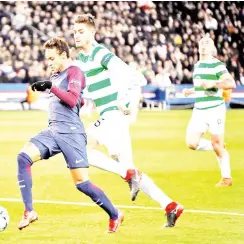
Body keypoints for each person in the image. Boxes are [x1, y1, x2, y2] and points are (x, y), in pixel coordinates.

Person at [73, 14, 183, 227]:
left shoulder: (100, 53)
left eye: (81, 31)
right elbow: (101, 86)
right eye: (75, 31)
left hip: (114, 116)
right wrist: (90, 105)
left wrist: (124, 99)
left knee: (81, 149)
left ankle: (128, 174)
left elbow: (131, 75)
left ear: (92, 32)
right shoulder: (84, 59)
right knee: (128, 168)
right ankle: (170, 206)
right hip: (109, 116)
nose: (76, 35)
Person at [16, 37, 124, 233]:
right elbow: (78, 102)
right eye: (47, 59)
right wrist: (52, 86)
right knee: (23, 158)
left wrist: (51, 87)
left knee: (82, 184)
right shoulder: (56, 75)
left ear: (64, 55)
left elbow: (73, 100)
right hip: (52, 131)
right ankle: (29, 211)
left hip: (71, 134)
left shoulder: (75, 71)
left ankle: (115, 214)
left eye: (52, 58)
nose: (49, 63)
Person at [182, 35, 236, 187]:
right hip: (199, 109)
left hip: (215, 109)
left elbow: (230, 83)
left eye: (207, 43)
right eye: (202, 43)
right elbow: (202, 85)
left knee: (217, 145)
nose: (204, 46)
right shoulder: (198, 65)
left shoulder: (217, 65)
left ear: (212, 48)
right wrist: (191, 91)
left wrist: (214, 83)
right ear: (198, 47)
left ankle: (227, 178)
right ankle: (217, 146)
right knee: (191, 143)